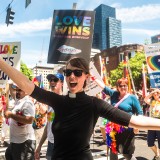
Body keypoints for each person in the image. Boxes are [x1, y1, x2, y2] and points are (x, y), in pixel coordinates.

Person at [1, 57, 160, 160]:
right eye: (68, 72)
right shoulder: (58, 101)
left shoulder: (94, 104)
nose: (72, 76)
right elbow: (27, 86)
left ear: (86, 77)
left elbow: (134, 120)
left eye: (77, 73)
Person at [92, 76, 143, 160]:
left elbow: (140, 113)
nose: (123, 87)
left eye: (125, 85)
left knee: (127, 153)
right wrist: (93, 77)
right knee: (113, 151)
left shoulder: (132, 98)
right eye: (121, 86)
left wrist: (137, 126)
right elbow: (103, 87)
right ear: (118, 87)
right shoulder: (114, 94)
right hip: (112, 129)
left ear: (127, 86)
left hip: (127, 130)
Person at [35, 73, 64, 160]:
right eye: (50, 80)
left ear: (62, 83)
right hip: (51, 145)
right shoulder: (50, 104)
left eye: (55, 80)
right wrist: (39, 146)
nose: (52, 82)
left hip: (62, 145)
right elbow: (48, 126)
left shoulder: (65, 101)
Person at [4, 83, 36, 160]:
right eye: (17, 90)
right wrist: (10, 79)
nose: (17, 92)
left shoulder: (27, 103)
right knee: (8, 155)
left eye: (20, 90)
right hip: (15, 141)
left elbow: (29, 120)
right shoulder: (18, 101)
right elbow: (11, 89)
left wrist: (11, 115)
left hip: (24, 142)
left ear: (26, 92)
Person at [144, 89, 160, 160]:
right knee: (150, 143)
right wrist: (151, 93)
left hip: (159, 123)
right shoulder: (151, 101)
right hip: (151, 123)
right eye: (154, 94)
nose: (155, 94)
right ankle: (157, 154)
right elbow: (145, 99)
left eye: (157, 93)